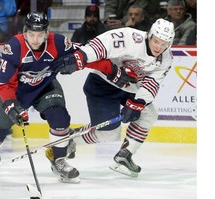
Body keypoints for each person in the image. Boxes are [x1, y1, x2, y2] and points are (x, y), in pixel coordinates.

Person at [0, 12, 132, 183]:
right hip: (15, 93)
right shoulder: (14, 47)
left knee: (60, 117)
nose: (35, 39)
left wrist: (111, 70)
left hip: (45, 87)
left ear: (46, 33)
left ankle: (58, 160)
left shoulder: (59, 43)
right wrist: (10, 105)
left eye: (40, 35)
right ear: (24, 32)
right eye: (31, 34)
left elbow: (86, 55)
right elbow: (3, 85)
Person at [51, 18, 175, 178]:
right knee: (109, 134)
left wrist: (138, 103)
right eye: (156, 41)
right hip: (103, 85)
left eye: (164, 44)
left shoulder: (166, 58)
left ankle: (125, 155)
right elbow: (101, 45)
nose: (159, 47)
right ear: (150, 35)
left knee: (149, 115)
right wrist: (80, 57)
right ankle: (72, 140)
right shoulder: (131, 37)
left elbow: (152, 82)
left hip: (130, 89)